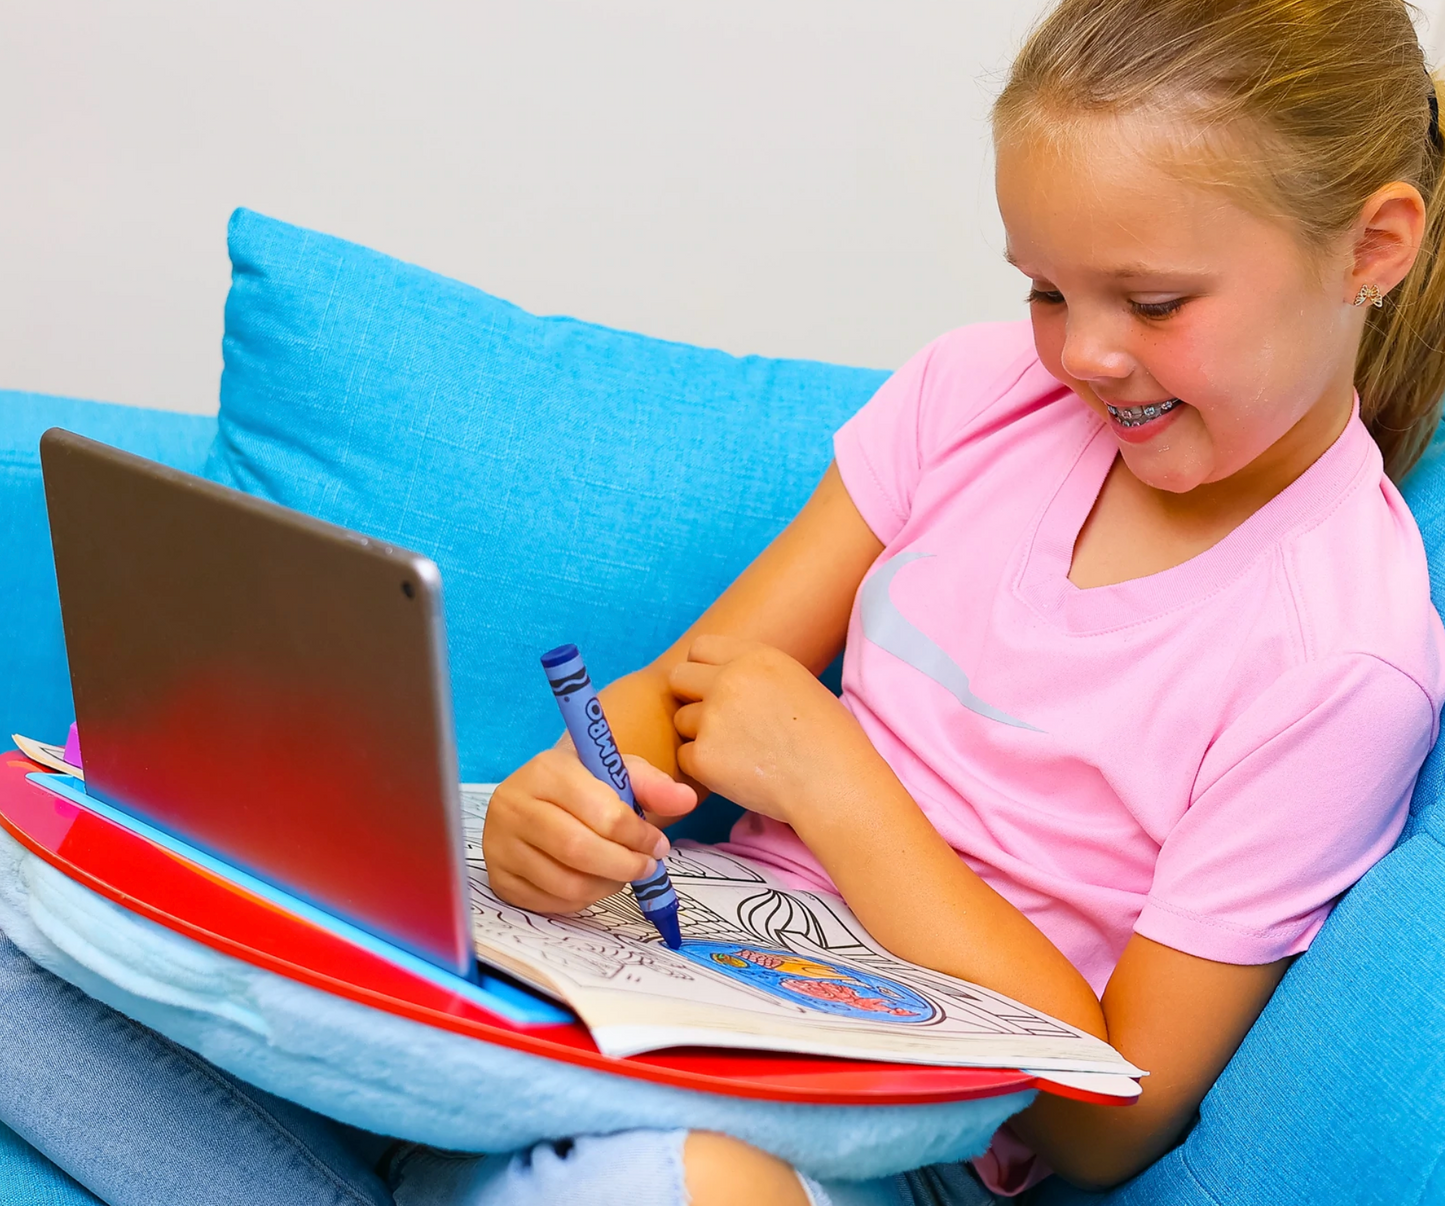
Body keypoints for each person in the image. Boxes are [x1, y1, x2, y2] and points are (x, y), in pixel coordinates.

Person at [3, 0, 1444, 1203]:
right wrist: (566, 794)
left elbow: (1111, 1111)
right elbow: (688, 689)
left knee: (688, 1187)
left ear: (1372, 249)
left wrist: (841, 787)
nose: (1082, 355)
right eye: (1047, 291)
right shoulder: (973, 398)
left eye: (1152, 299)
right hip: (663, 989)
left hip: (881, 1141)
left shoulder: (1343, 653)